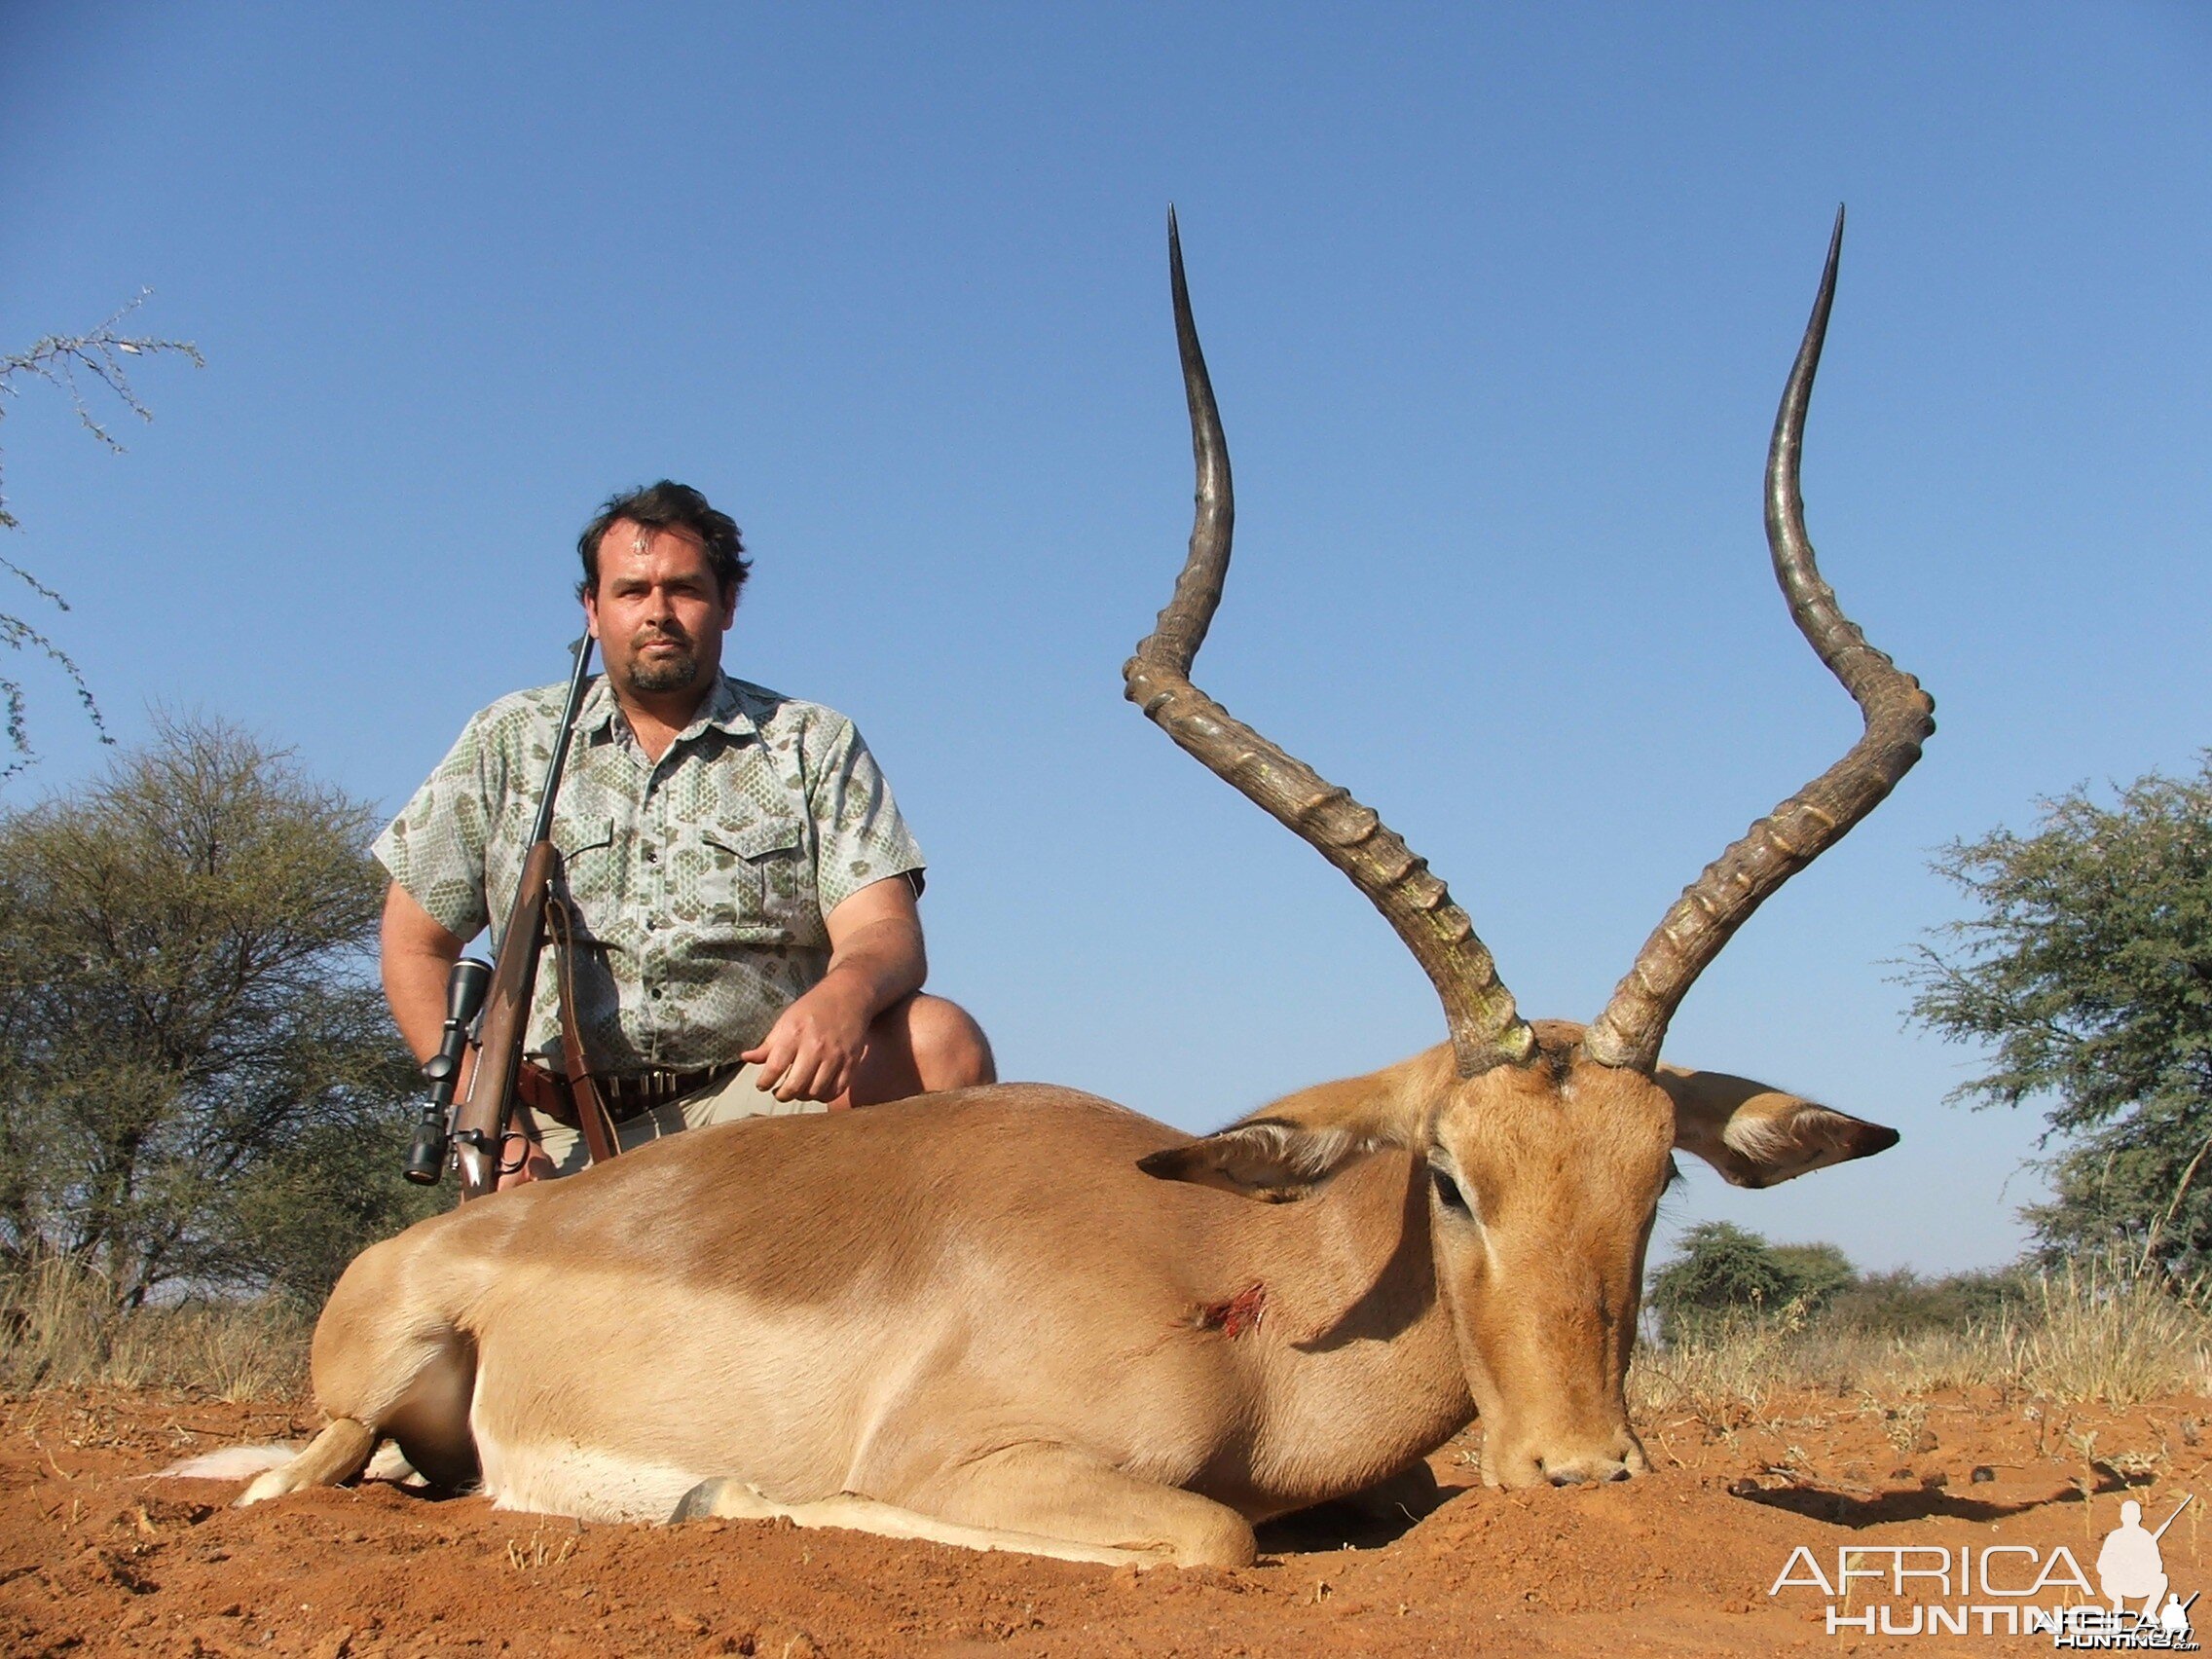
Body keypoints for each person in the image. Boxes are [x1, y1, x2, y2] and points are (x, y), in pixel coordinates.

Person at [375, 480, 995, 1181]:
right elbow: (414, 946)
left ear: (728, 604)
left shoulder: (810, 740)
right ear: (592, 608)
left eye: (685, 589)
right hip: (556, 1126)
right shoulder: (508, 739)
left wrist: (844, 995)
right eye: (632, 590)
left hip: (755, 1103)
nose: (658, 613)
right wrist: (493, 1129)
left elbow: (884, 933)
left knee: (938, 1042)